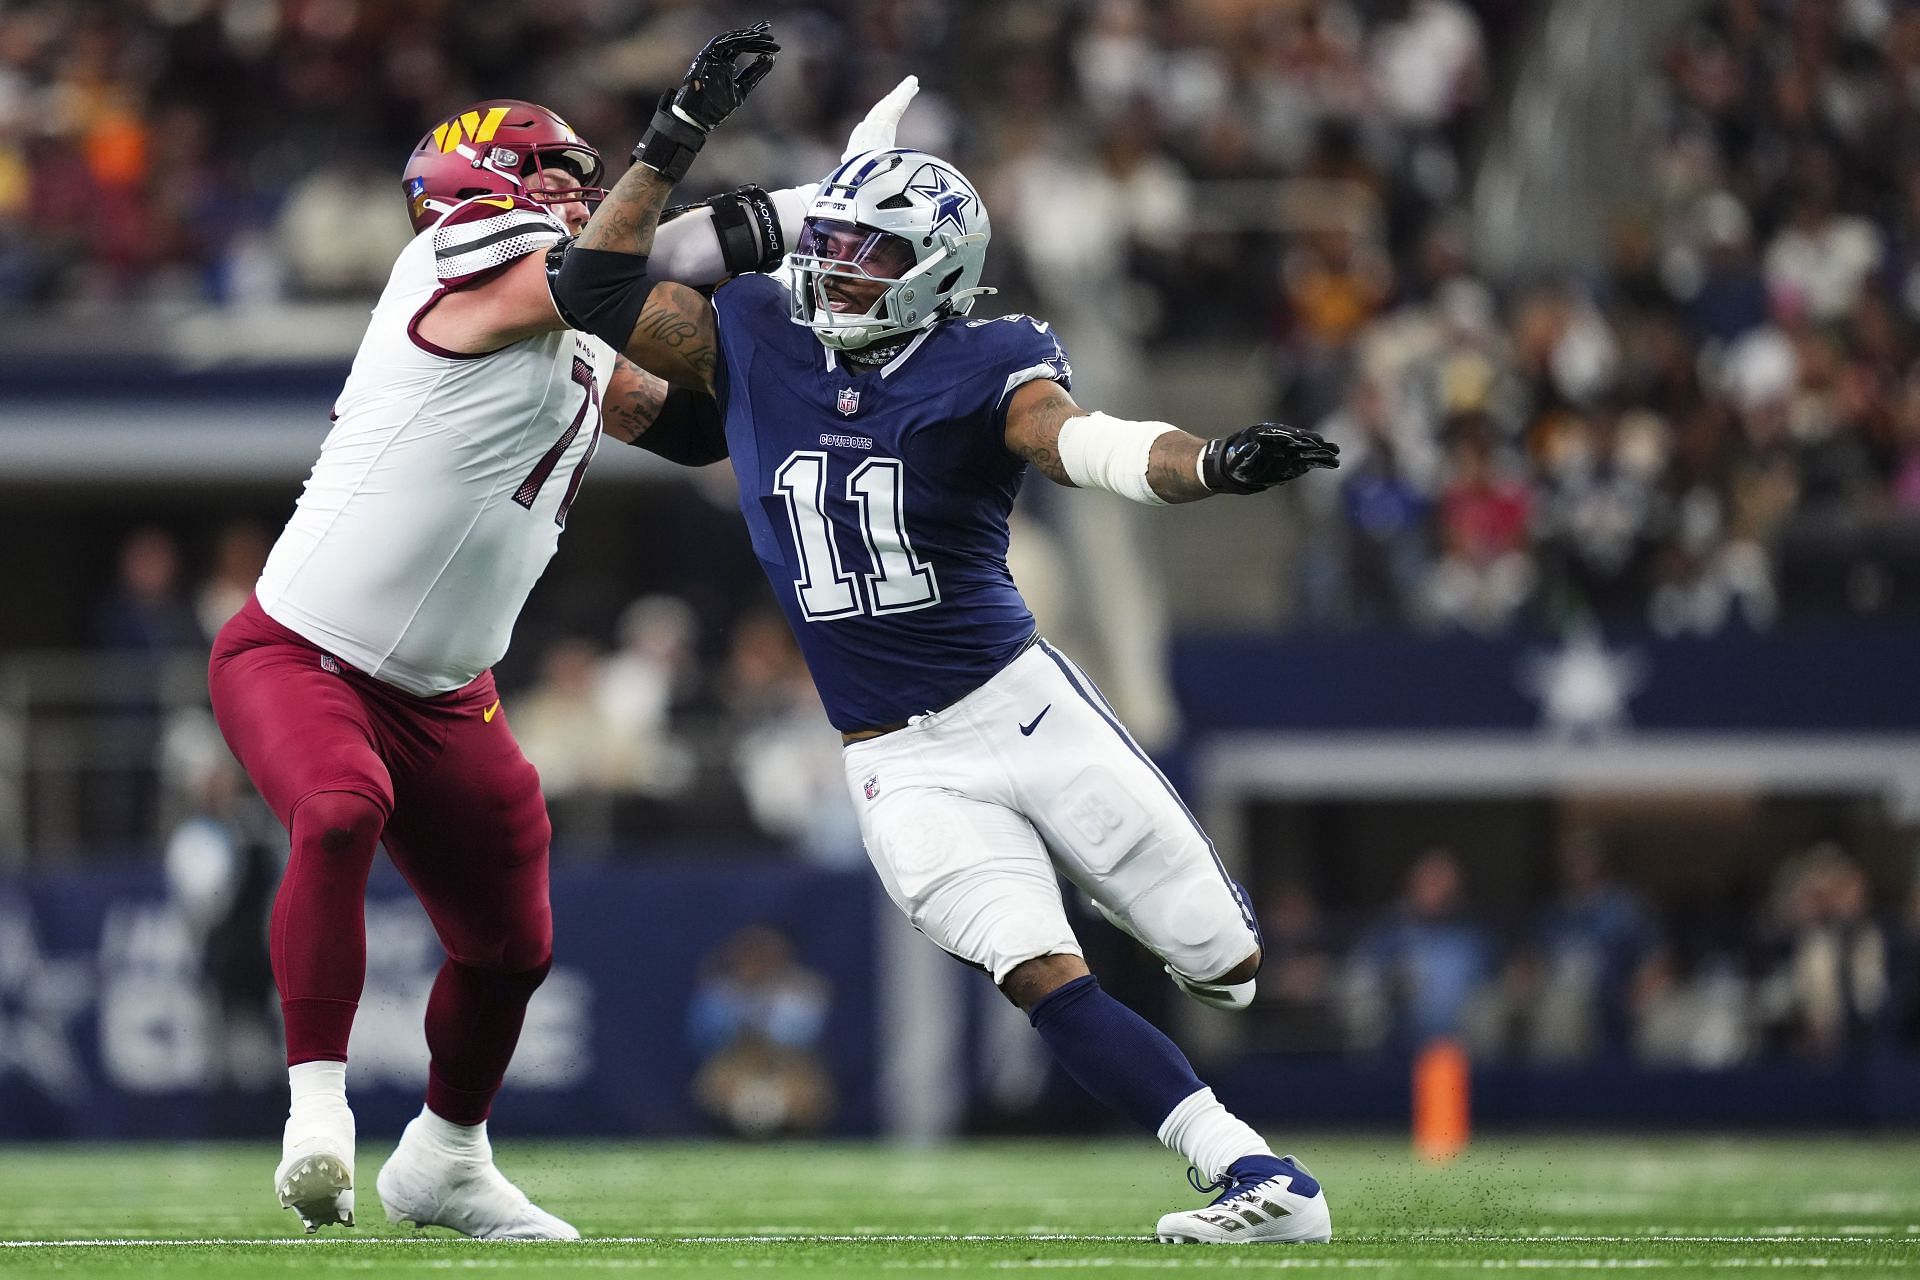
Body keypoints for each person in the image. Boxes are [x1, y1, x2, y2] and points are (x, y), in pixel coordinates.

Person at [548, 32, 1340, 1244]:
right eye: (835, 249)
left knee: (1223, 957)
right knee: (1038, 971)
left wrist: (1210, 463)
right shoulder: (761, 329)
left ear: (934, 276)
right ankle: (1255, 1176)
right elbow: (592, 288)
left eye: (869, 259)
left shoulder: (992, 360)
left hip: (1019, 706)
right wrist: (678, 130)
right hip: (893, 754)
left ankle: (1267, 1086)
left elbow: (1084, 443)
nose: (839, 275)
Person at [207, 28, 913, 1237]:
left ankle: (447, 1156)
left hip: (445, 692)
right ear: (473, 185)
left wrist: (836, 297)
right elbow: (629, 263)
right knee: (334, 809)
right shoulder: (454, 263)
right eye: (546, 171)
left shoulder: (568, 313)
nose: (572, 190)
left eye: (577, 176)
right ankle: (315, 1109)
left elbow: (687, 423)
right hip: (302, 652)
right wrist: (785, 188)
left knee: (513, 941)